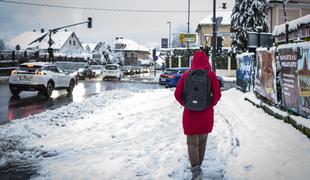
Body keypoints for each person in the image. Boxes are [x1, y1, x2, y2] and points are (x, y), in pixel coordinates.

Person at [174, 50, 221, 179]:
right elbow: (217, 95)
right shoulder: (211, 75)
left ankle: (196, 169)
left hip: (190, 116)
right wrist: (209, 105)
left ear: (193, 61)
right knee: (202, 142)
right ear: (207, 61)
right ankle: (199, 165)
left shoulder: (186, 75)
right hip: (206, 115)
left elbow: (177, 94)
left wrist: (187, 104)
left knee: (192, 143)